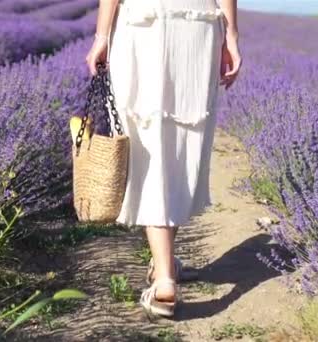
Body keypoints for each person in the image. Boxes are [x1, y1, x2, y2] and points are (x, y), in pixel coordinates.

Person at [85, 0, 242, 317]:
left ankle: (165, 281)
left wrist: (101, 36)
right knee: (183, 142)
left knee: (150, 145)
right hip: (197, 27)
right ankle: (163, 263)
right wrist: (232, 36)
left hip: (144, 24)